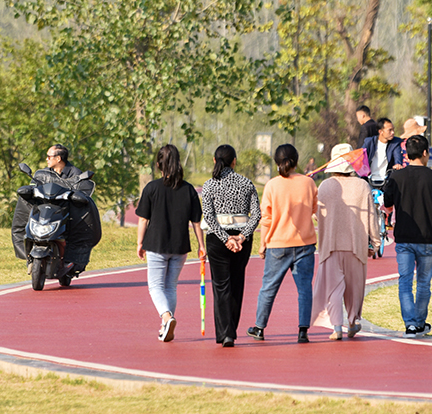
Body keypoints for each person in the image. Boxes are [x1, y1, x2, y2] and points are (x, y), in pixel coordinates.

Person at [248, 144, 318, 344]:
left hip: (277, 243)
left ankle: (259, 327)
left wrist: (262, 245)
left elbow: (266, 219)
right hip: (305, 243)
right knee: (304, 288)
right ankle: (303, 330)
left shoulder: (272, 185)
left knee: (268, 287)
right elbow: (313, 209)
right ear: (296, 161)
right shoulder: (309, 183)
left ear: (276, 162)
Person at [136, 144, 206, 342]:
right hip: (179, 245)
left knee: (155, 286)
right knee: (170, 287)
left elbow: (143, 219)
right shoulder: (189, 190)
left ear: (158, 164)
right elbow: (196, 221)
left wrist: (139, 242)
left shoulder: (151, 188)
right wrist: (202, 245)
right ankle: (166, 325)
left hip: (156, 244)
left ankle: (166, 317)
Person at [382, 135, 432, 336]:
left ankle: (410, 323)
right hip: (427, 237)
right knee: (423, 283)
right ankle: (420, 322)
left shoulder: (397, 177)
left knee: (404, 281)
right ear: (425, 153)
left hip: (403, 237)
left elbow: (387, 204)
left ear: (406, 154)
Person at [312, 144, 378, 341]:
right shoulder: (362, 186)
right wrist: (374, 242)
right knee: (354, 288)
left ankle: (336, 327)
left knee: (333, 287)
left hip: (330, 245)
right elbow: (371, 217)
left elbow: (317, 215)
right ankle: (352, 322)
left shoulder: (325, 186)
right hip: (356, 245)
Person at [199, 144, 261, 348]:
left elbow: (208, 216)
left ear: (215, 161)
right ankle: (230, 330)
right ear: (234, 161)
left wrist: (225, 238)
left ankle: (226, 333)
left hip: (218, 239)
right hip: (243, 238)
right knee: (236, 283)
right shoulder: (247, 183)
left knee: (221, 285)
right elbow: (257, 215)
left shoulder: (208, 185)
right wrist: (242, 237)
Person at [363, 117, 404, 187]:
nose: (393, 132)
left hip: (386, 181)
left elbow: (397, 157)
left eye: (393, 130)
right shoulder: (369, 142)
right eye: (390, 130)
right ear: (380, 131)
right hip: (369, 180)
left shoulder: (395, 143)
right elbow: (361, 156)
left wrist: (398, 164)